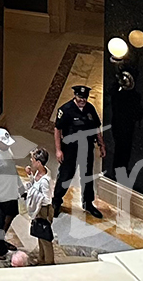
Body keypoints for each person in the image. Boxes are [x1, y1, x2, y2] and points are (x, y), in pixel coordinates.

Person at [53, 84, 106, 219]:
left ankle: (88, 203)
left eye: (85, 97)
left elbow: (96, 127)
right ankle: (56, 201)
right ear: (75, 96)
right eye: (80, 97)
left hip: (87, 147)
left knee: (87, 176)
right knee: (66, 175)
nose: (83, 100)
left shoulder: (90, 109)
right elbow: (57, 129)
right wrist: (58, 150)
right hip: (70, 148)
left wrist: (101, 145)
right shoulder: (66, 110)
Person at [0, 127, 24, 258]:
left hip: (11, 193)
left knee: (10, 216)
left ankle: (0, 240)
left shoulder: (8, 151)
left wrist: (21, 187)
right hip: (1, 196)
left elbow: (13, 170)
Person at [23, 147, 56, 265]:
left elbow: (47, 199)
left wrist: (34, 196)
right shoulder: (39, 172)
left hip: (44, 210)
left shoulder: (45, 181)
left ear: (39, 162)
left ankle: (49, 262)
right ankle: (41, 259)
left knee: (45, 238)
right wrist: (30, 176)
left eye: (32, 159)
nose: (31, 161)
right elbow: (34, 185)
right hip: (39, 209)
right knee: (39, 235)